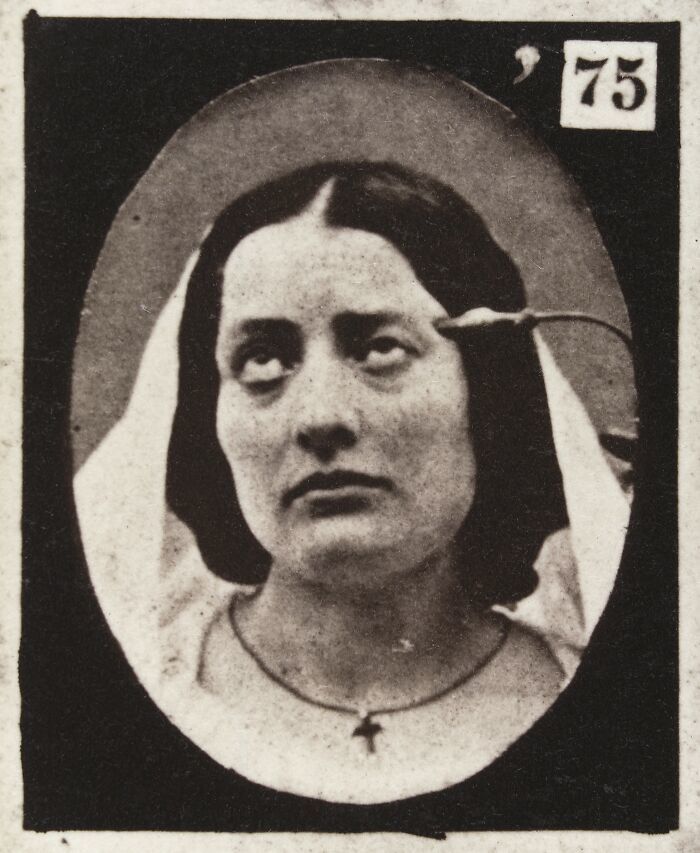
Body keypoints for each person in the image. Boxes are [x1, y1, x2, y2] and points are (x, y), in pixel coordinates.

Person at [75, 161, 630, 803]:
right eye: (262, 359)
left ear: (485, 392)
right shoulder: (131, 694)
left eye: (379, 349)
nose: (321, 417)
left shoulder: (606, 700)